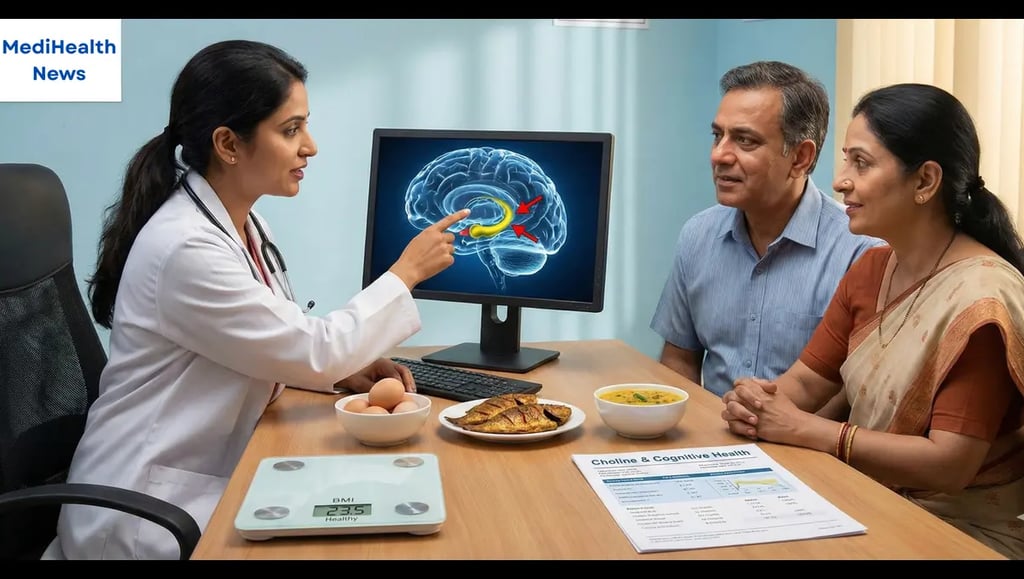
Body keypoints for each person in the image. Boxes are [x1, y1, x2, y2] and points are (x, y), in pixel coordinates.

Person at [42, 40, 469, 560]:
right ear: (228, 144)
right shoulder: (186, 248)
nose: (310, 146)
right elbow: (315, 348)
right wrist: (405, 274)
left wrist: (339, 373)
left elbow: (278, 343)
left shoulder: (241, 225)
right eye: (291, 130)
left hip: (198, 476)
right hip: (142, 511)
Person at [721, 83, 1024, 559]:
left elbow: (950, 465)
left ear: (925, 181)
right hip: (867, 504)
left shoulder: (981, 301)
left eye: (861, 163)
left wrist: (807, 430)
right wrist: (756, 402)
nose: (840, 180)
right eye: (845, 160)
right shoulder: (871, 269)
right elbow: (803, 384)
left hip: (961, 530)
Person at [650, 61, 882, 398]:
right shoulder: (697, 235)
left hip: (804, 445)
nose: (719, 156)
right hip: (709, 439)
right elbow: (679, 360)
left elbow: (854, 395)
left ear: (800, 158)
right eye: (718, 136)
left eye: (744, 141)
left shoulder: (859, 251)